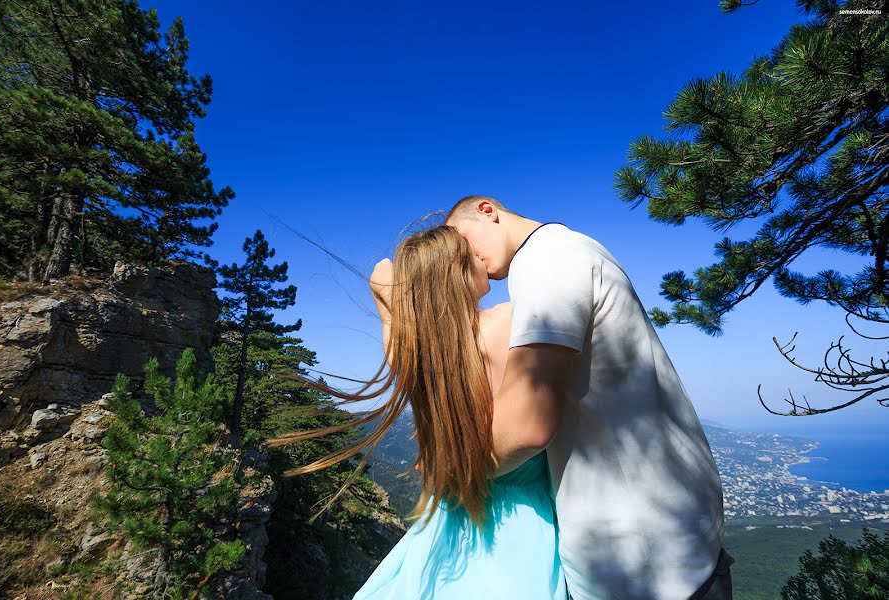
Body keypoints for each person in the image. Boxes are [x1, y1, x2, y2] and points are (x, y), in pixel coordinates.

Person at [445, 195, 734, 600]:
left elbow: (526, 425)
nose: (464, 256)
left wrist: (454, 473)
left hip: (642, 559)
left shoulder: (548, 260)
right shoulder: (569, 252)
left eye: (462, 239)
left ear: (487, 210)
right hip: (671, 536)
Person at [266, 225, 567, 599]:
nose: (481, 259)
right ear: (455, 271)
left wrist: (402, 289)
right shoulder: (508, 320)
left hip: (449, 516)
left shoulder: (411, 352)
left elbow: (381, 276)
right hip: (516, 519)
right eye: (470, 253)